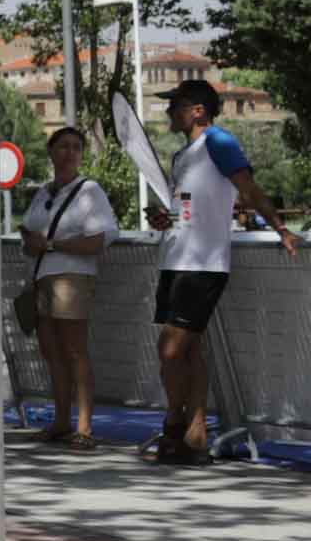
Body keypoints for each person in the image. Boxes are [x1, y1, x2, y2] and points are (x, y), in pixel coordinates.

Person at [142, 77, 295, 464]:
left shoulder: (218, 142)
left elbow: (248, 188)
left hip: (203, 263)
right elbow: (187, 209)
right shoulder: (182, 156)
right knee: (188, 350)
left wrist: (279, 227)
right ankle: (193, 439)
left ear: (198, 111)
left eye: (175, 104)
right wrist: (165, 218)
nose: (169, 111)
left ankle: (174, 426)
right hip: (174, 259)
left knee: (170, 349)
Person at [18, 125, 116, 450]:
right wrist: (35, 245)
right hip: (42, 278)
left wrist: (52, 246)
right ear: (51, 152)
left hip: (72, 278)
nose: (70, 152)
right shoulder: (43, 192)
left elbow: (99, 239)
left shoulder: (90, 191)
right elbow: (31, 235)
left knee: (75, 351)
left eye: (76, 147)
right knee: (51, 352)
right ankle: (61, 421)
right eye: (63, 146)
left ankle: (84, 427)